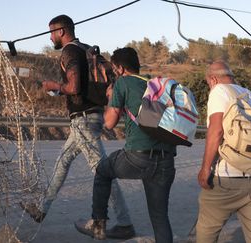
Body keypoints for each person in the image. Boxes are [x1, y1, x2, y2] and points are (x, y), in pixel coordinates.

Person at [20, 15, 135, 240]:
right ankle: (42, 210)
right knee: (62, 161)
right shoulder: (85, 49)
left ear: (62, 31)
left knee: (102, 172)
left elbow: (73, 86)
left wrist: (55, 86)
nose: (51, 37)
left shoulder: (69, 52)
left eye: (52, 32)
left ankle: (125, 222)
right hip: (90, 116)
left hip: (83, 118)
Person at [75, 47, 177, 241]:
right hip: (166, 160)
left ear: (120, 68)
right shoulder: (153, 84)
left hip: (138, 157)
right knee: (159, 217)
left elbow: (109, 122)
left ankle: (98, 225)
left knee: (103, 171)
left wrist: (111, 97)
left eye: (114, 69)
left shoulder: (122, 83)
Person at [196, 61, 251, 243]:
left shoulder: (219, 91)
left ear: (213, 79)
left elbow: (216, 131)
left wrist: (205, 169)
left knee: (207, 230)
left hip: (227, 178)